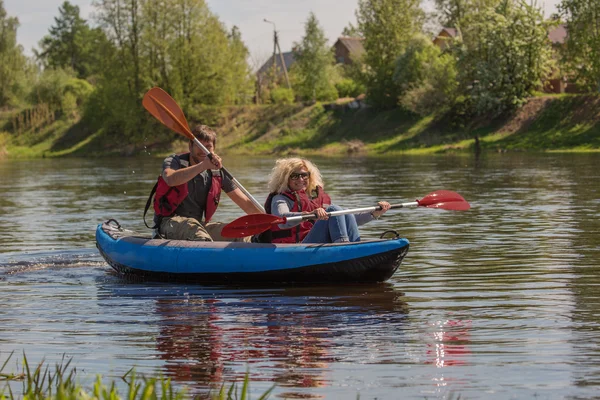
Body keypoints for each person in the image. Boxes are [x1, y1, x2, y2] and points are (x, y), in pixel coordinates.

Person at [146, 124, 263, 241]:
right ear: (190, 146)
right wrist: (202, 166)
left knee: (240, 234)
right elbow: (170, 179)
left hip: (198, 225)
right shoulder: (174, 161)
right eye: (199, 146)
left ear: (214, 149)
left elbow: (245, 202)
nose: (203, 150)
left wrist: (270, 221)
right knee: (199, 235)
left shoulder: (218, 171)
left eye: (208, 147)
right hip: (168, 224)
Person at [262, 158, 391, 244]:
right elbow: (281, 220)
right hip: (297, 247)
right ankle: (343, 247)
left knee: (340, 211)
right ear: (285, 179)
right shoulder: (280, 198)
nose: (300, 179)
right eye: (295, 176)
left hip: (316, 244)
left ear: (309, 176)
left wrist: (374, 213)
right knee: (333, 210)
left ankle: (353, 245)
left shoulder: (315, 197)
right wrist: (309, 214)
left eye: (304, 175)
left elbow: (343, 221)